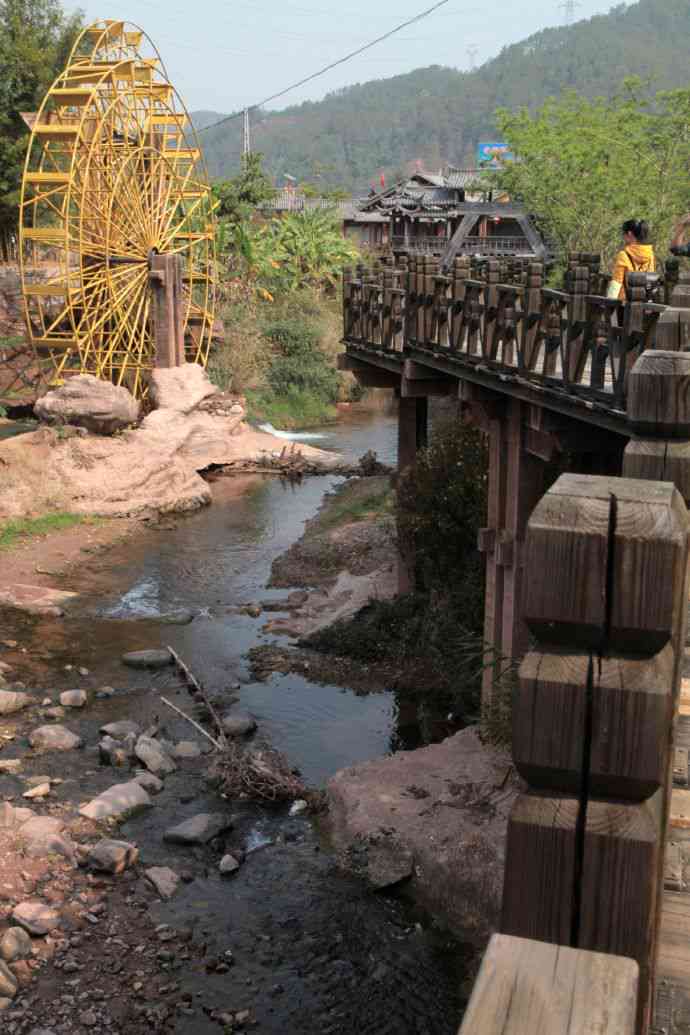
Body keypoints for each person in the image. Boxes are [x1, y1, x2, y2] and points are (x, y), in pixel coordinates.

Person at [607, 219, 656, 300]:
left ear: (629, 234)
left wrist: (609, 303)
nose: (623, 236)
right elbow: (650, 280)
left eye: (623, 233)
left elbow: (616, 283)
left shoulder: (624, 255)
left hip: (625, 304)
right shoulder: (650, 254)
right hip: (644, 303)